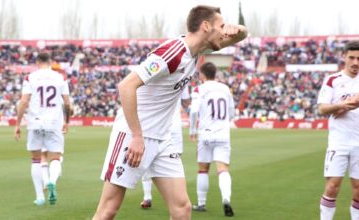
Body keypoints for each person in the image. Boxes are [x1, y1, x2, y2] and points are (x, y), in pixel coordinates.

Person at [92, 5, 247, 220]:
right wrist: (137, 136)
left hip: (162, 139)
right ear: (205, 26)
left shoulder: (199, 49)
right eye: (221, 26)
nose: (223, 32)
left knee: (182, 209)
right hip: (134, 136)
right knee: (108, 210)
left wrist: (238, 28)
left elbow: (241, 36)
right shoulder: (173, 53)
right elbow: (126, 86)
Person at [317, 41, 359, 220]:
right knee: (332, 187)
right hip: (338, 142)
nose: (356, 62)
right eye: (352, 58)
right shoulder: (333, 80)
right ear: (344, 57)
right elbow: (322, 109)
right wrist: (341, 105)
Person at [14, 52, 71, 206]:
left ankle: (40, 197)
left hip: (35, 123)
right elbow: (67, 104)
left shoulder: (30, 77)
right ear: (50, 62)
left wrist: (18, 124)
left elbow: (24, 101)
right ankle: (52, 180)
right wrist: (67, 121)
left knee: (35, 160)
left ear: (37, 62)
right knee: (56, 158)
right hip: (54, 122)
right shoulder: (60, 77)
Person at [189, 62, 235, 217]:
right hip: (223, 134)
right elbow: (232, 112)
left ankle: (201, 203)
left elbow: (194, 110)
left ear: (202, 75)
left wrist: (192, 130)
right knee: (222, 169)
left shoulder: (199, 89)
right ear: (215, 74)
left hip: (206, 135)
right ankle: (226, 198)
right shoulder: (225, 89)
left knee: (203, 169)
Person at [140, 87, 191, 209]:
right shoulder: (182, 75)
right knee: (174, 163)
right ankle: (174, 199)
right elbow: (186, 101)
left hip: (157, 126)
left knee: (147, 161)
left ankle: (148, 197)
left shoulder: (154, 74)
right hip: (171, 126)